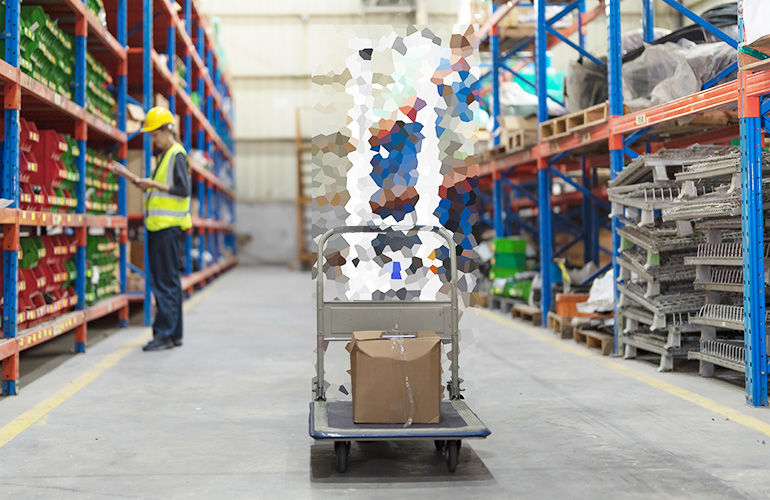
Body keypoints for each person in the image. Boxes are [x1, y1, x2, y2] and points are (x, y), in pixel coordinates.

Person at [133, 106, 192, 351]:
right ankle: (174, 333)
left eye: (155, 135)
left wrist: (153, 184)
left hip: (166, 229)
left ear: (168, 130)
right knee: (170, 282)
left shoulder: (176, 154)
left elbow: (183, 190)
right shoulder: (168, 155)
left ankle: (164, 334)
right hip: (163, 228)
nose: (153, 140)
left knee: (164, 284)